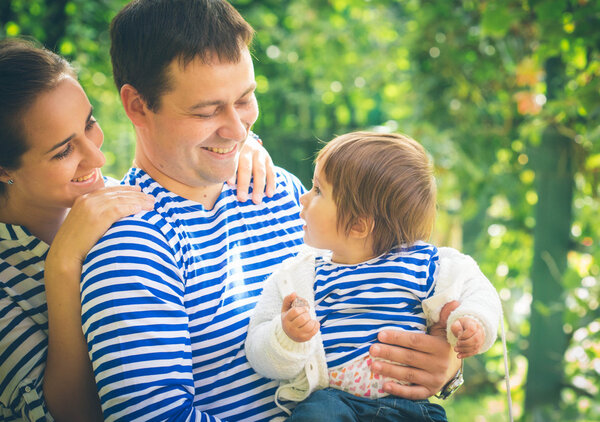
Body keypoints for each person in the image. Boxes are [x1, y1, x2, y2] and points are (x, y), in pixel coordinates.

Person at [80, 1, 466, 421]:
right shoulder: (133, 244)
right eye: (207, 111)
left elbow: (375, 293)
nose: (236, 129)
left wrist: (443, 365)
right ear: (137, 106)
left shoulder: (278, 190)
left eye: (245, 99)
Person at [0, 38, 275, 421]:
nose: (96, 156)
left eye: (89, 124)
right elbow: (73, 415)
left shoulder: (120, 200)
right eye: (63, 151)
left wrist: (234, 146)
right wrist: (63, 265)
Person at [245, 132, 502, 421]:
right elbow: (257, 349)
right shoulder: (296, 278)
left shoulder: (425, 263)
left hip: (409, 407)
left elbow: (479, 291)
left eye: (318, 190)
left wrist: (473, 321)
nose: (302, 198)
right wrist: (286, 335)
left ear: (358, 225)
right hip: (334, 403)